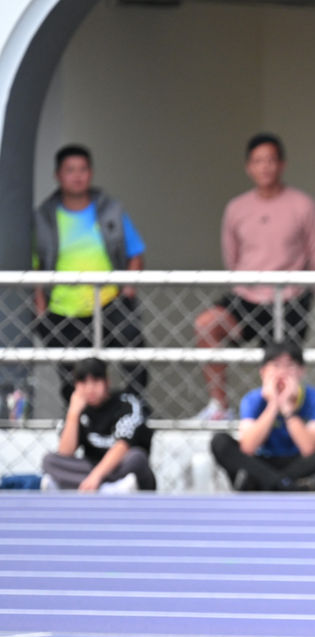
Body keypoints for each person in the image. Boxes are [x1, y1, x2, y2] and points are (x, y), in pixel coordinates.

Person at [192, 133, 315, 420]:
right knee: (206, 325)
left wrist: (302, 292)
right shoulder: (237, 208)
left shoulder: (302, 205)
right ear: (248, 167)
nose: (265, 167)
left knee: (281, 363)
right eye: (258, 161)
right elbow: (231, 257)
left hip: (289, 298)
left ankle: (281, 417)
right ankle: (219, 408)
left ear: (282, 164)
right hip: (247, 297)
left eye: (270, 160)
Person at [33, 144, 148, 401]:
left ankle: (135, 411)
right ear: (57, 175)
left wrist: (127, 293)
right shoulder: (44, 217)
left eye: (83, 169)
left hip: (110, 303)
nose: (77, 176)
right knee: (73, 380)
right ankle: (79, 419)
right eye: (70, 170)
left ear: (91, 172)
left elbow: (135, 253)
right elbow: (35, 265)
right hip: (62, 310)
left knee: (134, 360)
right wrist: (41, 311)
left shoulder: (110, 210)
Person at [209, 341, 315, 491]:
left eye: (290, 366)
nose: (282, 373)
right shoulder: (252, 399)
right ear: (263, 372)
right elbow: (248, 447)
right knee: (220, 442)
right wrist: (273, 404)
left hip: (299, 464)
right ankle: (286, 485)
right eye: (276, 366)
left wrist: (288, 409)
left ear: (301, 371)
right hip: (262, 464)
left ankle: (277, 483)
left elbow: (309, 449)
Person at [41, 357, 155, 492]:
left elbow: (123, 445)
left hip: (120, 467)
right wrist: (73, 413)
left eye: (95, 381)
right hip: (92, 468)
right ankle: (109, 489)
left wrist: (97, 476)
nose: (90, 388)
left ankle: (79, 485)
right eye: (83, 382)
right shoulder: (79, 409)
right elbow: (65, 453)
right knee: (49, 461)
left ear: (106, 381)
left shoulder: (126, 403)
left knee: (136, 458)